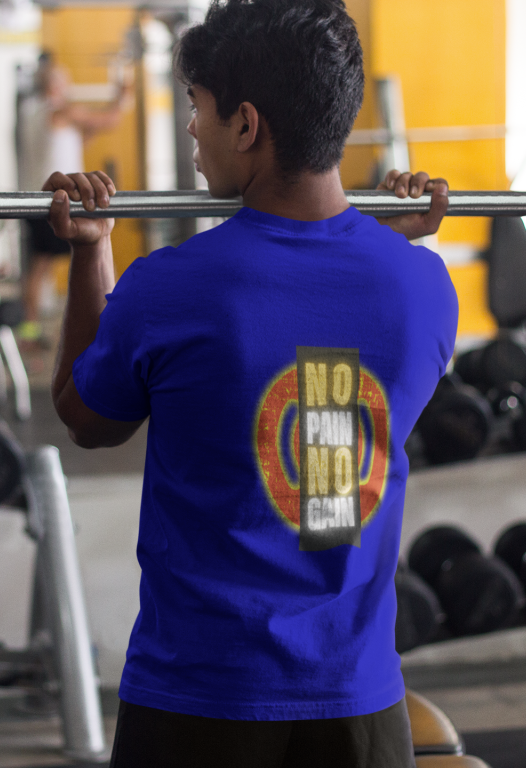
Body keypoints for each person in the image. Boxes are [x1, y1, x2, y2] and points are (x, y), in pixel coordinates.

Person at [48, 1, 456, 766]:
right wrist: (385, 249)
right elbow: (330, 430)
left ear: (246, 125)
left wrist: (88, 253)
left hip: (199, 707)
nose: (193, 130)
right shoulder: (422, 289)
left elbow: (86, 416)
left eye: (199, 109)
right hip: (361, 713)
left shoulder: (169, 286)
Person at [16, 52, 133, 346]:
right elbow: (111, 119)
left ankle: (29, 330)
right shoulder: (61, 111)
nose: (68, 86)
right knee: (94, 256)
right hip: (60, 199)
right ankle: (111, 325)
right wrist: (124, 95)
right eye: (64, 81)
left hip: (35, 197)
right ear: (54, 85)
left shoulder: (33, 113)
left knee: (38, 266)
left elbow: (76, 140)